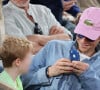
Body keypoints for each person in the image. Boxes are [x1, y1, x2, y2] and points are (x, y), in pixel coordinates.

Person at [22, 7, 100, 90]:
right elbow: (23, 80)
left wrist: (87, 75)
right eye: (80, 34)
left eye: (90, 38)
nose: (83, 41)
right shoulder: (54, 47)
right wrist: (48, 72)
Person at [3, 0, 72, 54]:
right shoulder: (4, 14)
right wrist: (55, 40)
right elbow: (25, 49)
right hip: (26, 67)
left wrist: (37, 39)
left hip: (56, 62)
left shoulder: (43, 10)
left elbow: (68, 37)